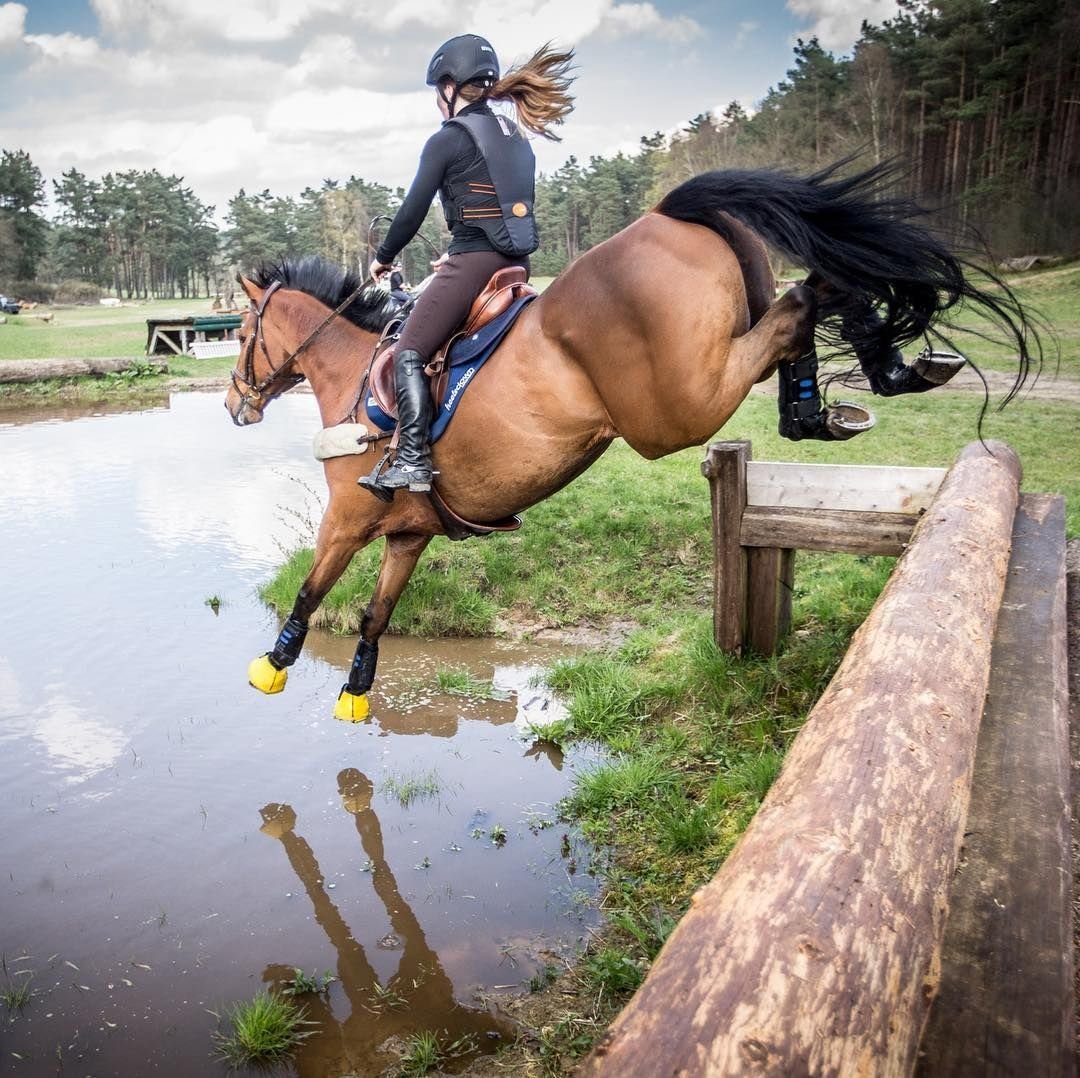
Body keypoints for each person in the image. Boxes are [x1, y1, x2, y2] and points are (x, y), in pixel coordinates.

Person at [360, 34, 575, 499]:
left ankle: (413, 460)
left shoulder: (449, 139)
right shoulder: (514, 135)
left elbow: (412, 209)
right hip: (514, 262)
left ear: (450, 86)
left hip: (476, 261)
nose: (437, 99)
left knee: (410, 351)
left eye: (437, 88)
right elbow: (504, 205)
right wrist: (459, 252)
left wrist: (383, 258)